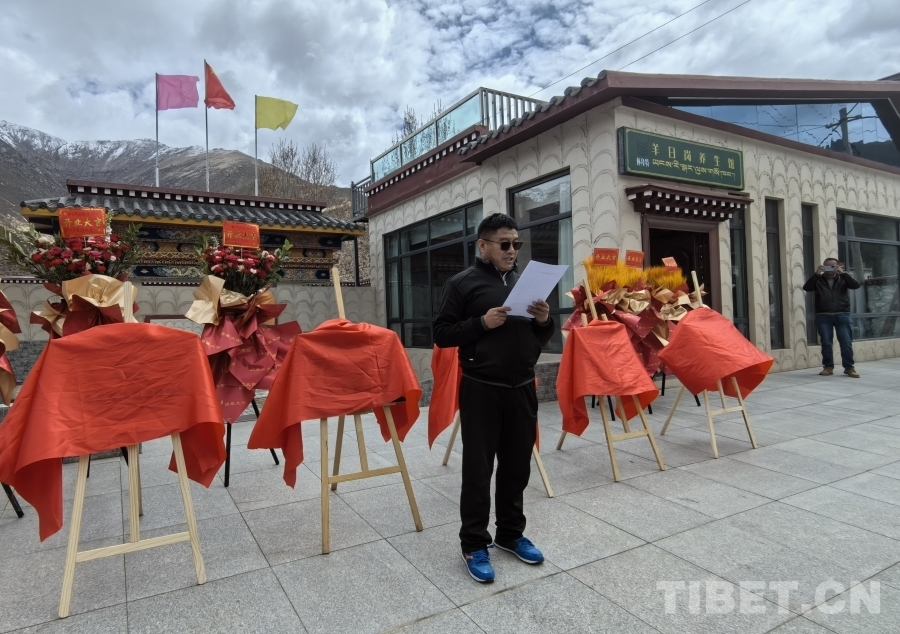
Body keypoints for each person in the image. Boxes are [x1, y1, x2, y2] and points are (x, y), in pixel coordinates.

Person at [433, 212, 555, 583]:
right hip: (481, 387)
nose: (512, 250)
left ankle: (510, 534)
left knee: (517, 466)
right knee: (478, 469)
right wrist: (481, 323)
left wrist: (544, 321)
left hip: (522, 387)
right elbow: (442, 333)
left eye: (516, 244)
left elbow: (538, 338)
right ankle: (473, 543)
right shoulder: (462, 284)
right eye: (504, 244)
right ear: (483, 245)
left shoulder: (523, 284)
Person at [802, 257, 861, 378]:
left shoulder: (843, 278)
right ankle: (828, 367)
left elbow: (855, 285)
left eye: (832, 266)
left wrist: (843, 274)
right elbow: (807, 288)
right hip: (823, 315)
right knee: (826, 343)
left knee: (846, 342)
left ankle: (849, 368)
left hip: (842, 314)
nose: (829, 269)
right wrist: (816, 274)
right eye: (826, 266)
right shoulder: (818, 279)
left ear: (837, 266)